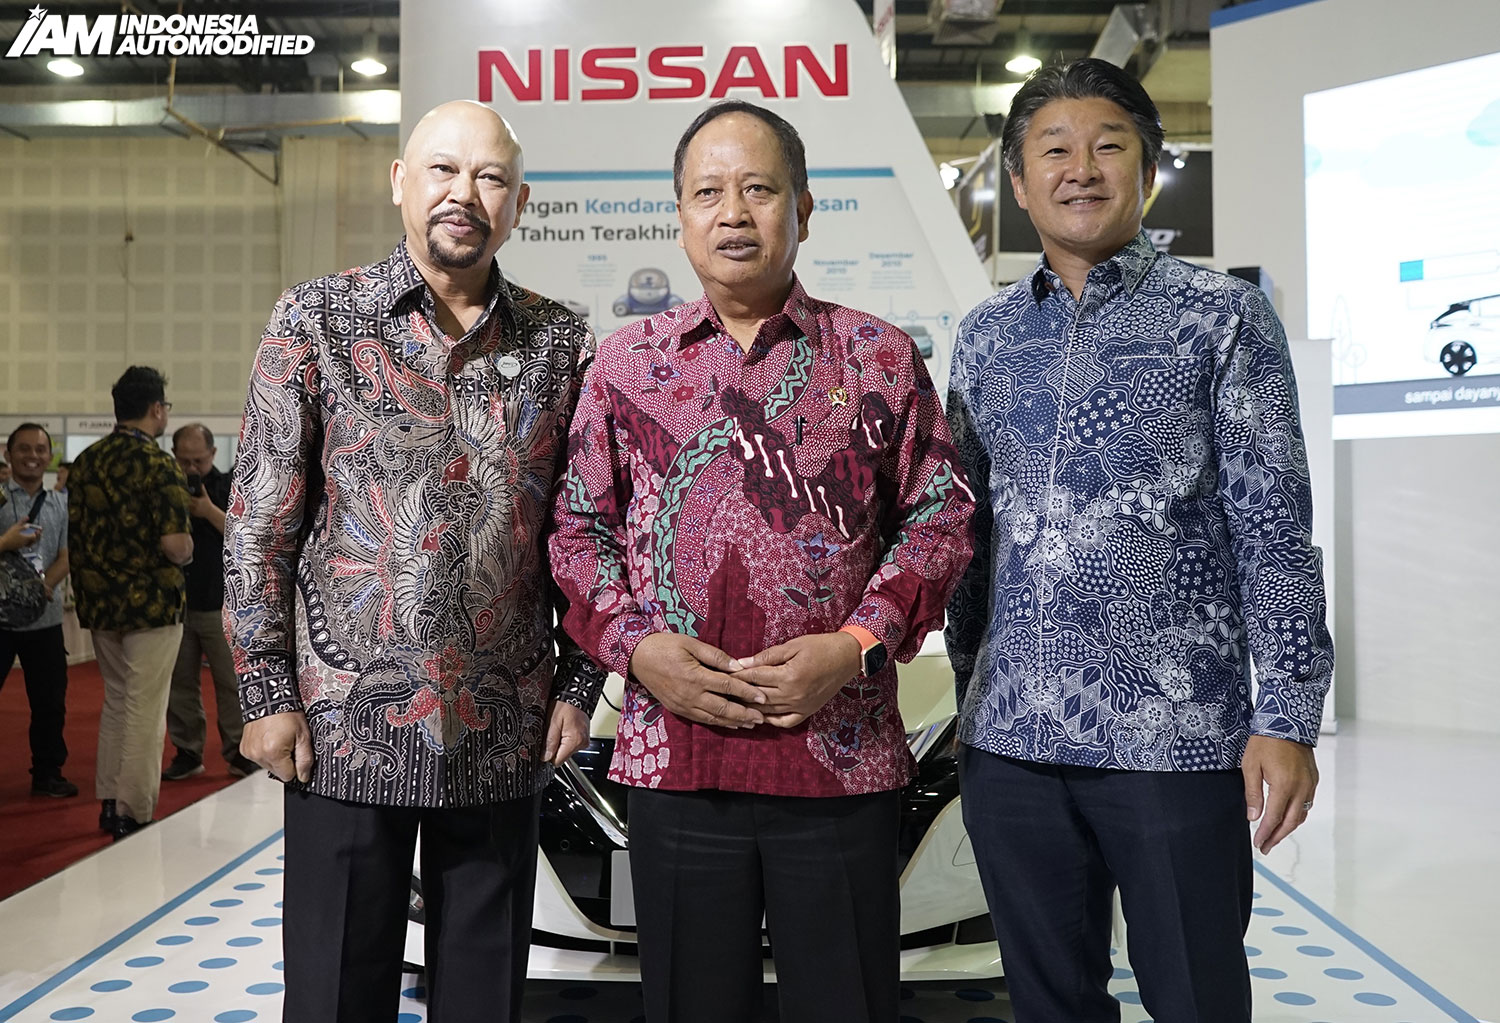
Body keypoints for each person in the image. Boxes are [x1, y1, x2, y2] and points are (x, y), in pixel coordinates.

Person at [549, 100, 976, 1023]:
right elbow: (577, 535)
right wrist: (638, 650)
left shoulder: (878, 358)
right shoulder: (625, 365)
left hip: (839, 758)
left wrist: (856, 644)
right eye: (708, 193)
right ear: (680, 216)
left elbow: (940, 520)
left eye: (759, 189)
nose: (733, 213)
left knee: (847, 1003)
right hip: (675, 757)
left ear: (804, 210)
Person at [944, 58, 1334, 1023]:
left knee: (1197, 997)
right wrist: (967, 688)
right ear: (1019, 182)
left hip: (1176, 737)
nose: (1081, 168)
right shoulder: (985, 336)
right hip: (1012, 741)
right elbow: (970, 535)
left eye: (1108, 146)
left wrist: (1288, 716)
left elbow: (1274, 527)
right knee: (1049, 1002)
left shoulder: (1223, 317)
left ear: (1149, 171)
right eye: (1054, 150)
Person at [225, 100, 601, 1023]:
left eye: (489, 177)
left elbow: (588, 530)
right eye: (442, 169)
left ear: (519, 202)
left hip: (504, 725)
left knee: (485, 996)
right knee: (334, 990)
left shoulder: (562, 344)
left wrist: (581, 682)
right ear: (401, 182)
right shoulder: (316, 319)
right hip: (340, 730)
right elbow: (260, 519)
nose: (463, 194)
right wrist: (265, 691)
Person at [69, 366, 194, 840]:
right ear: (157, 409)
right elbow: (175, 545)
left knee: (117, 701)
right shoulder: (159, 465)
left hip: (100, 604)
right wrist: (190, 550)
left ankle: (109, 801)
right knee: (145, 708)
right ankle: (133, 810)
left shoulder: (87, 462)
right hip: (152, 607)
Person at [162, 423, 254, 781]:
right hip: (178, 604)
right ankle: (187, 751)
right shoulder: (166, 488)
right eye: (183, 460)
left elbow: (246, 534)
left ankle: (239, 751)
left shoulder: (231, 485)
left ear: (213, 454)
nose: (191, 468)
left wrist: (208, 511)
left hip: (221, 604)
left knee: (230, 683)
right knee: (180, 684)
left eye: (198, 460)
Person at [0, 423, 77, 798]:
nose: (33, 456)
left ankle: (48, 772)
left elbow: (66, 554)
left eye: (40, 450)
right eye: (24, 449)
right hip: (0, 621)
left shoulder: (60, 503)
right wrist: (6, 542)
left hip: (45, 619)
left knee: (50, 703)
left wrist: (44, 586)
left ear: (50, 456)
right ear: (8, 454)